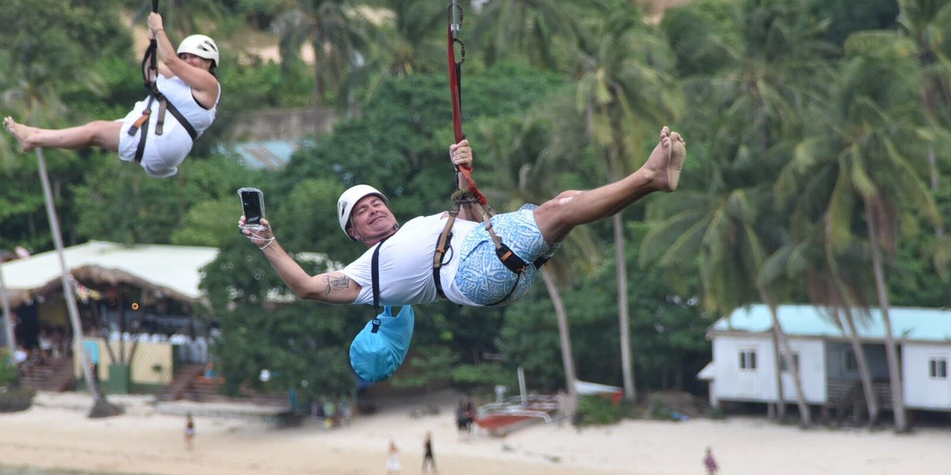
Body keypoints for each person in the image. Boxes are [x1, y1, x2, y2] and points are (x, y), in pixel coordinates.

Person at [239, 125, 685, 308]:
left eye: (375, 201)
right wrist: (267, 241)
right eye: (360, 212)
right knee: (562, 208)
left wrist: (463, 170)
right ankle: (649, 175)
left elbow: (474, 220)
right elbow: (305, 287)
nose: (372, 208)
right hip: (473, 277)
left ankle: (652, 182)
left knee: (566, 203)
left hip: (486, 253)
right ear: (354, 233)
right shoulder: (365, 273)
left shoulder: (422, 226)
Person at [3, 13, 221, 179]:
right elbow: (150, 72)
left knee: (94, 131)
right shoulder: (176, 81)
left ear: (209, 62)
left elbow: (171, 61)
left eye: (195, 57)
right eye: (186, 57)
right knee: (94, 132)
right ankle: (34, 134)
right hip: (160, 146)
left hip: (162, 145)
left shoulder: (209, 85)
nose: (189, 61)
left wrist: (159, 29)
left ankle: (33, 139)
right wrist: (153, 42)